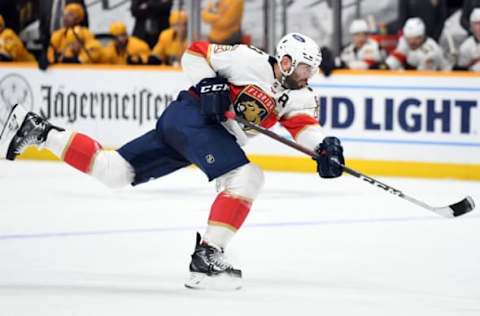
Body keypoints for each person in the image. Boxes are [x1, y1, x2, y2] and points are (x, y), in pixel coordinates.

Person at [0, 32, 345, 290]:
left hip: (194, 131)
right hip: (192, 117)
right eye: (303, 67)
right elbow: (194, 53)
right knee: (247, 177)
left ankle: (41, 132)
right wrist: (209, 83)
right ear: (285, 60)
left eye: (310, 70)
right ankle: (208, 255)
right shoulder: (246, 59)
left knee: (116, 172)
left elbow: (304, 128)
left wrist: (325, 147)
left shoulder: (301, 96)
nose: (307, 75)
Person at [385, 17, 450, 70]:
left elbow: (423, 79)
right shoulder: (404, 40)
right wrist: (385, 66)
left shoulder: (430, 52)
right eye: (409, 39)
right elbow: (397, 57)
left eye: (416, 38)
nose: (412, 42)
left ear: (423, 36)